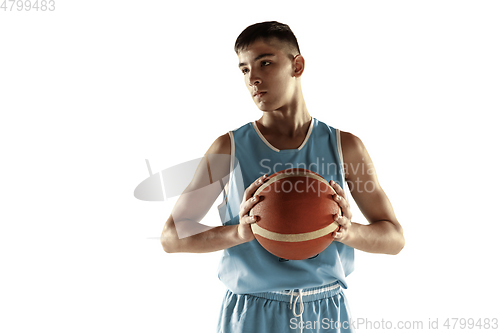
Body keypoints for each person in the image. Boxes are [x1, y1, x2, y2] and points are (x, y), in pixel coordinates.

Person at [161, 21, 405, 333]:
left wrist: (346, 231)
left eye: (265, 62)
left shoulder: (345, 147)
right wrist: (237, 234)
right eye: (245, 70)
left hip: (325, 311)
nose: (254, 78)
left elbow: (394, 238)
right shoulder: (228, 148)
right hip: (252, 311)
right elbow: (171, 237)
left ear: (297, 65)